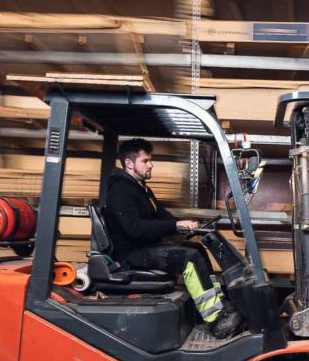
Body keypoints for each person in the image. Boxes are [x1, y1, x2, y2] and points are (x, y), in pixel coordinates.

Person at [104, 138, 243, 339]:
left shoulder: (141, 189)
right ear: (129, 163)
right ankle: (215, 320)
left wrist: (184, 227)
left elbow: (162, 216)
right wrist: (175, 226)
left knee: (197, 250)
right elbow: (134, 229)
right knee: (189, 259)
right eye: (145, 161)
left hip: (146, 248)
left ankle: (220, 307)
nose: (151, 164)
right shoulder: (120, 191)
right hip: (132, 254)